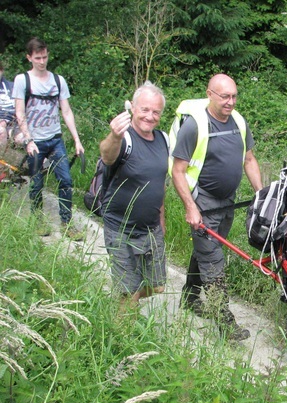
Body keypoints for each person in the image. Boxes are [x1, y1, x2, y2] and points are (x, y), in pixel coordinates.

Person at [171, 73, 262, 341]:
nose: (230, 102)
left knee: (207, 248)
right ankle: (224, 320)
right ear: (210, 94)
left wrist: (261, 194)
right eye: (225, 96)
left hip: (228, 201)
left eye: (234, 96)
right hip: (203, 201)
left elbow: (249, 159)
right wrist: (190, 207)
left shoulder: (239, 122)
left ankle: (189, 297)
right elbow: (177, 171)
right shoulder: (195, 126)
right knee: (213, 259)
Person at [99, 81, 169, 310]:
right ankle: (122, 336)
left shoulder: (164, 140)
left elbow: (160, 185)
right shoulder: (124, 138)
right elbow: (107, 156)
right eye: (145, 110)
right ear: (133, 109)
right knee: (127, 295)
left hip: (151, 229)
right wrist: (114, 135)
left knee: (157, 285)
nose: (150, 116)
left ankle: (126, 296)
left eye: (156, 112)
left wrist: (162, 219)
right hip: (119, 228)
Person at [12, 37, 84, 240]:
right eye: (37, 58)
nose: (42, 61)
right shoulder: (22, 80)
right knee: (36, 183)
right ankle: (37, 219)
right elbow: (20, 112)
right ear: (29, 58)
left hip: (55, 139)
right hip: (35, 141)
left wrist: (77, 140)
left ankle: (67, 222)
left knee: (66, 180)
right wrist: (28, 140)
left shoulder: (58, 81)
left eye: (44, 56)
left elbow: (66, 111)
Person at [0, 61, 25, 147]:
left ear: (2, 71)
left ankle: (43, 160)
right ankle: (2, 158)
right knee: (1, 131)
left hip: (14, 124)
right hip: (1, 124)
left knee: (24, 139)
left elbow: (21, 108)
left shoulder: (12, 86)